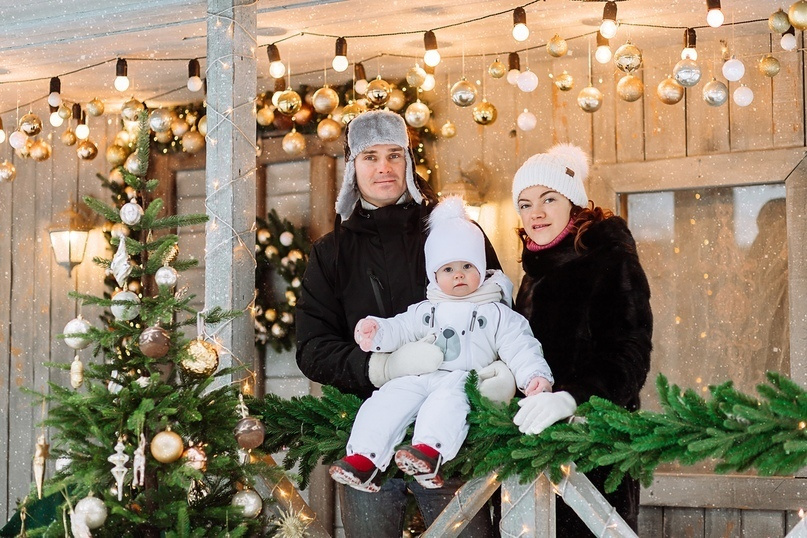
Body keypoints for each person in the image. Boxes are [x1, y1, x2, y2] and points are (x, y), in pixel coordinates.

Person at [295, 110, 505, 537]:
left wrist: (496, 375)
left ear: (409, 162)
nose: (384, 167)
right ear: (353, 168)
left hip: (454, 432)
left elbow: (498, 308)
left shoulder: (454, 233)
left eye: (394, 155)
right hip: (363, 431)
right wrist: (380, 368)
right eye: (370, 157)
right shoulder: (331, 253)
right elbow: (313, 346)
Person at [329, 196, 553, 493]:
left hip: (462, 378)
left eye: (466, 266)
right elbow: (400, 327)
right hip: (420, 376)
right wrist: (378, 331)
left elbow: (521, 345)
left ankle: (429, 452)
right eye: (447, 269)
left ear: (481, 268)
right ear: (434, 275)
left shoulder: (495, 311)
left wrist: (534, 377)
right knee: (386, 399)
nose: (458, 274)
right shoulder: (426, 309)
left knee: (447, 402)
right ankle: (363, 459)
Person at [509, 143, 652, 535]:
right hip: (531, 448)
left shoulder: (610, 259)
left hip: (596, 449)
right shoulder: (536, 271)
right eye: (524, 204)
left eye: (547, 199)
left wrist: (573, 396)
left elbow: (629, 354)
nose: (535, 213)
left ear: (573, 204)